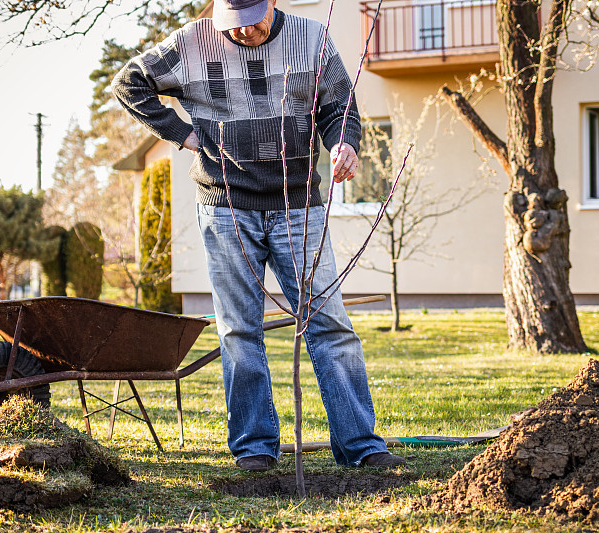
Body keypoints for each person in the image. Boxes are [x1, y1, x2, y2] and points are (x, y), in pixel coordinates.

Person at [112, 0, 404, 471]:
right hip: (225, 206)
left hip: (297, 204)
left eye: (252, 23)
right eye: (233, 27)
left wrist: (344, 144)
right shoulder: (189, 41)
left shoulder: (311, 38)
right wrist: (180, 133)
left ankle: (362, 446)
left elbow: (339, 106)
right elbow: (128, 83)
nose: (244, 33)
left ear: (271, 5)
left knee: (329, 325)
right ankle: (254, 450)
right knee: (238, 330)